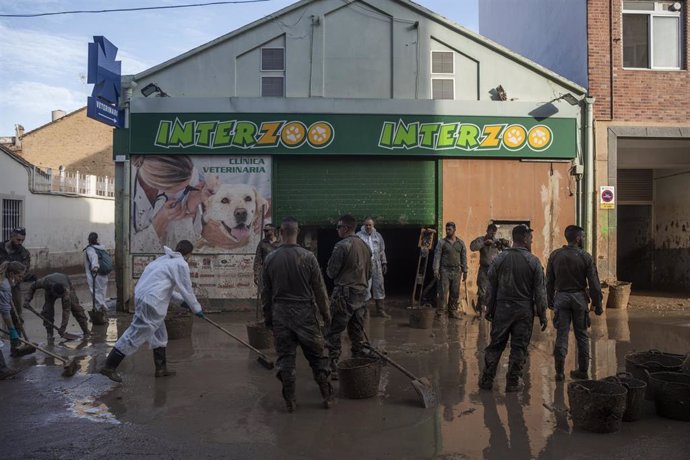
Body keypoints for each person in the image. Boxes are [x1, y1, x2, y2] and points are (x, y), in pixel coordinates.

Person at [99, 240, 205, 383]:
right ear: (188, 253)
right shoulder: (180, 264)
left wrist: (183, 302)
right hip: (152, 303)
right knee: (135, 334)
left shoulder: (163, 261)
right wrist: (196, 308)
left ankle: (161, 369)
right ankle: (109, 366)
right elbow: (187, 289)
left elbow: (165, 289)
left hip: (145, 298)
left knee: (160, 335)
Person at [261, 217, 332, 412]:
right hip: (306, 315)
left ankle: (290, 400)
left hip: (281, 315)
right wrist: (326, 317)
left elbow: (265, 294)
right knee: (318, 358)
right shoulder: (308, 257)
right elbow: (320, 290)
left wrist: (268, 318)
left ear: (281, 233)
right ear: (297, 232)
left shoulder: (270, 259)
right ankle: (327, 397)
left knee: (286, 360)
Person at [479, 225, 548, 392]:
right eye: (530, 238)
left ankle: (487, 380)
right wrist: (543, 314)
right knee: (519, 347)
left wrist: (489, 309)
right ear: (524, 239)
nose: (531, 241)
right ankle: (512, 382)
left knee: (496, 345)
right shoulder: (534, 262)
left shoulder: (499, 259)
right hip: (524, 311)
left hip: (502, 309)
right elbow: (540, 292)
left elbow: (491, 287)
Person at [546, 225, 603, 381]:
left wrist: (549, 300)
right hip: (579, 299)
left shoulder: (555, 255)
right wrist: (598, 304)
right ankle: (583, 371)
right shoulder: (585, 256)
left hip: (561, 298)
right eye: (582, 236)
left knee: (561, 336)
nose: (583, 239)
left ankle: (559, 372)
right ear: (577, 238)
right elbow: (594, 283)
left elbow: (549, 281)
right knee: (582, 336)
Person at [325, 214, 372, 380]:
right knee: (356, 333)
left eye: (338, 227)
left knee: (334, 331)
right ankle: (357, 367)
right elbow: (370, 272)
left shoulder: (341, 246)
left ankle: (332, 367)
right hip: (362, 296)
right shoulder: (366, 247)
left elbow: (331, 272)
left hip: (344, 296)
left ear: (345, 228)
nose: (337, 230)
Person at [24, 273, 91, 339]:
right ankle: (49, 334)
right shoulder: (45, 282)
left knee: (76, 309)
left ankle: (86, 331)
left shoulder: (66, 293)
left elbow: (66, 311)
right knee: (47, 311)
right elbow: (32, 287)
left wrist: (62, 328)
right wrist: (27, 300)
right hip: (50, 291)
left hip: (67, 286)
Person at [470, 224, 509, 315]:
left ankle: (487, 309)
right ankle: (482, 312)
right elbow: (472, 247)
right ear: (487, 230)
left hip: (494, 270)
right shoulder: (482, 239)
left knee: (492, 291)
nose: (492, 234)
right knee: (482, 290)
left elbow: (506, 251)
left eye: (494, 232)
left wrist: (503, 244)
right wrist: (484, 243)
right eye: (491, 231)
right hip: (484, 269)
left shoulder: (496, 242)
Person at [356, 217, 390, 319]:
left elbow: (382, 250)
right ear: (363, 225)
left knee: (379, 286)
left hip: (377, 265)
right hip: (365, 265)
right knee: (366, 287)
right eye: (366, 225)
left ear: (373, 225)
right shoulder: (358, 236)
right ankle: (365, 312)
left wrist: (384, 263)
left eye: (370, 225)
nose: (368, 227)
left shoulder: (378, 236)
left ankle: (380, 310)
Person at [433, 222, 468, 319]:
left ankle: (453, 311)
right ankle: (440, 312)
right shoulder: (442, 243)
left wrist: (465, 270)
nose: (447, 231)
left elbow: (463, 257)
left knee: (455, 292)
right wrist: (436, 270)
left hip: (457, 271)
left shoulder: (460, 243)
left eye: (450, 229)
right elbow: (437, 257)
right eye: (446, 229)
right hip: (444, 270)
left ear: (454, 230)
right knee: (443, 292)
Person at [0, 261, 33, 362]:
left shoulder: (4, 282)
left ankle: (2, 369)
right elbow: (5, 313)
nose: (21, 279)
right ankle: (2, 370)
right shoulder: (4, 286)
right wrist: (12, 330)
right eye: (19, 276)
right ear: (11, 274)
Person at [0, 227, 33, 327]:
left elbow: (24, 271)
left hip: (14, 286)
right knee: (3, 308)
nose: (20, 242)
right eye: (18, 240)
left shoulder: (24, 253)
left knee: (16, 313)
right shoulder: (0, 248)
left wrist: (13, 282)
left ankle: (16, 335)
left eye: (22, 240)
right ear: (11, 236)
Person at [83, 232, 109, 315]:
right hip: (103, 274)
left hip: (95, 274)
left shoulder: (90, 249)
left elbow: (94, 257)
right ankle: (101, 309)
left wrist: (95, 267)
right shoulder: (102, 248)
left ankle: (100, 308)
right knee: (102, 291)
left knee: (95, 291)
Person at [253, 223, 279, 287]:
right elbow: (257, 260)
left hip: (279, 274)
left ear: (273, 230)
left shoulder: (280, 243)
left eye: (267, 230)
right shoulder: (262, 243)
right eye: (264, 231)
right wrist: (256, 275)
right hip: (266, 274)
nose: (265, 232)